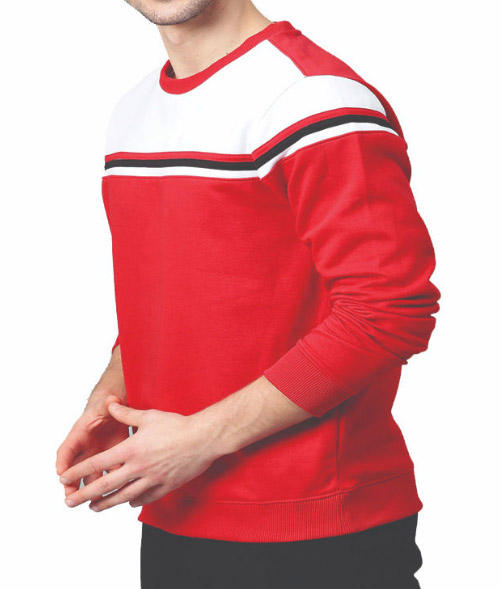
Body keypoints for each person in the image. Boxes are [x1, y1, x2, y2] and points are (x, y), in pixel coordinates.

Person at [56, 1, 440, 587]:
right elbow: (179, 292)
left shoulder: (314, 99)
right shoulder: (134, 114)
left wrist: (200, 440)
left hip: (317, 528)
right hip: (178, 510)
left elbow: (388, 312)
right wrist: (112, 395)